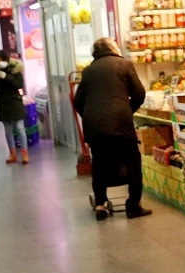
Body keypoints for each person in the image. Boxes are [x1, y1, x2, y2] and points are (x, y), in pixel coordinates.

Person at [73, 37, 151, 221]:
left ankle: (100, 205)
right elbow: (139, 93)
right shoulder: (124, 65)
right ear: (113, 48)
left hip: (95, 127)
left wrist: (92, 117)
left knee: (99, 163)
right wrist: (127, 111)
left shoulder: (88, 71)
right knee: (132, 161)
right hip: (121, 123)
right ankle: (133, 205)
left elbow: (78, 101)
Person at [0, 50, 28, 164]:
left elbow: (19, 84)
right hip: (3, 104)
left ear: (7, 59)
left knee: (20, 128)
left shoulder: (16, 68)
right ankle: (12, 153)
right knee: (8, 130)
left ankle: (24, 153)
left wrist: (6, 77)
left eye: (2, 60)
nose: (0, 63)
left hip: (15, 103)